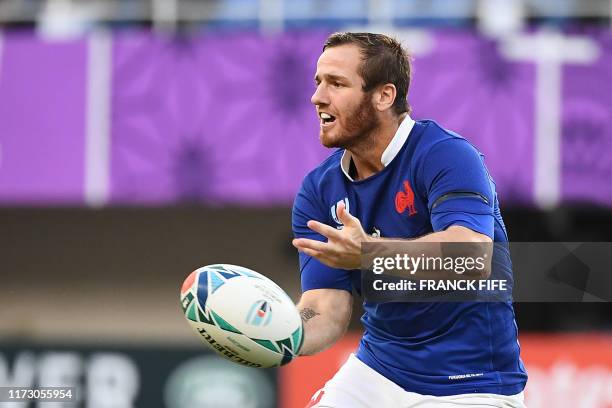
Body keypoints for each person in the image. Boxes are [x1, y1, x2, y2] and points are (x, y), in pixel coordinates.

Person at [291, 32, 528, 408]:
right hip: (378, 370)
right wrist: (277, 333)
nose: (318, 96)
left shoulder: (447, 155)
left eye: (337, 83)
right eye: (318, 82)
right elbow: (326, 307)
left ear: (384, 96)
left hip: (469, 382)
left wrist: (370, 253)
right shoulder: (318, 189)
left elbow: (471, 257)